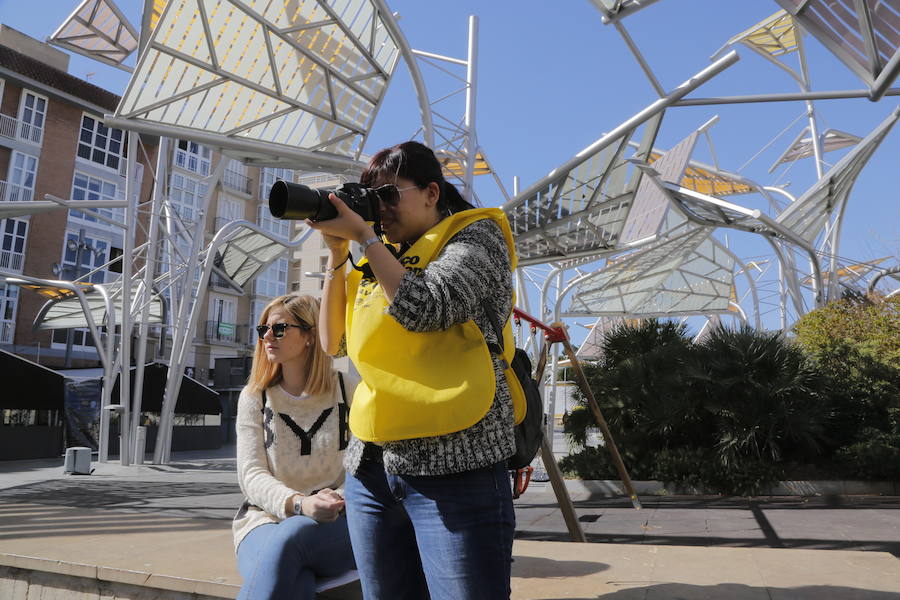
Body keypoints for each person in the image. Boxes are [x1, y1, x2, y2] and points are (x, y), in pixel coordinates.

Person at [310, 141, 518, 599]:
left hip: (458, 462)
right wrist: (336, 252)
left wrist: (364, 238)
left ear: (431, 192)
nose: (379, 210)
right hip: (371, 468)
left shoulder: (477, 238)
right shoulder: (378, 257)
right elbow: (332, 342)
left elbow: (427, 306)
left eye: (389, 194)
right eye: (371, 199)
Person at [232, 293, 357, 600]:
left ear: (310, 336)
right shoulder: (255, 397)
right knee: (293, 576)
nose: (267, 338)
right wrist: (300, 503)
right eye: (263, 329)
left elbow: (364, 467)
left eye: (279, 329)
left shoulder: (347, 390)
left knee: (290, 540)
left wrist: (334, 500)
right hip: (262, 521)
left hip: (338, 523)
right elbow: (251, 475)